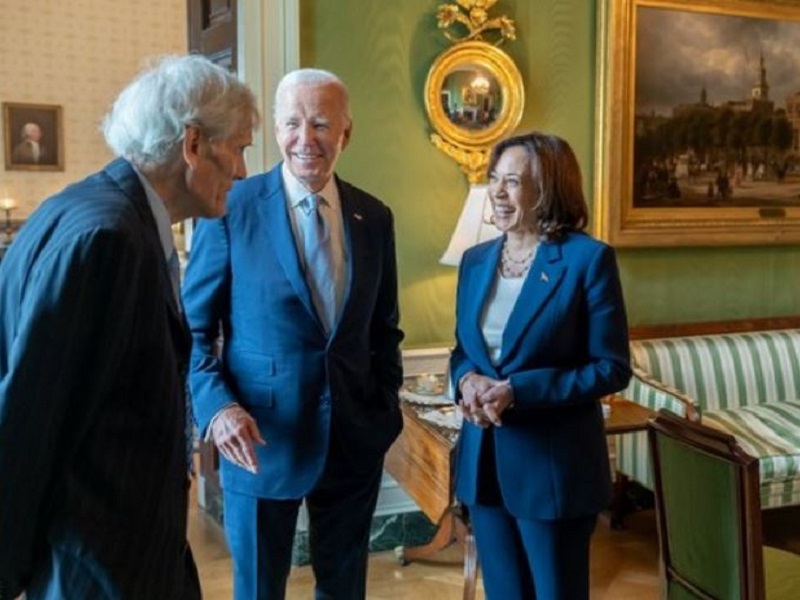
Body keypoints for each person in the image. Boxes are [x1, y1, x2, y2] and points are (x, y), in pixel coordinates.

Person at [0, 54, 259, 600]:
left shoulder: (80, 208)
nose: (241, 171)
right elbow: (30, 419)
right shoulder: (110, 241)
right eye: (238, 148)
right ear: (192, 144)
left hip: (122, 554)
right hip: (100, 567)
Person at [182, 68, 404, 600]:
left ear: (346, 133)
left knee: (344, 588)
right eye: (292, 124)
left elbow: (384, 329)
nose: (306, 140)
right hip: (259, 444)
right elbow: (190, 330)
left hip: (353, 442)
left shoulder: (374, 217)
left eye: (322, 124)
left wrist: (383, 409)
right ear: (276, 131)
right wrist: (217, 408)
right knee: (259, 590)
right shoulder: (230, 207)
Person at [449, 132, 632, 600]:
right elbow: (463, 350)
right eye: (495, 180)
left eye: (513, 181)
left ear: (547, 189)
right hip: (484, 467)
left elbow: (610, 368)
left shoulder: (587, 260)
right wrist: (465, 379)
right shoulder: (474, 261)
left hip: (553, 473)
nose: (498, 191)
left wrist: (518, 390)